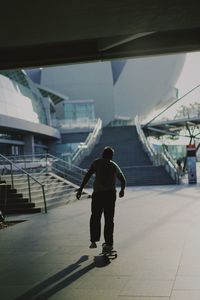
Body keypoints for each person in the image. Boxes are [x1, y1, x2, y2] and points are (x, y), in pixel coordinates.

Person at [76, 146, 126, 251]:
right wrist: (122, 190)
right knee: (109, 219)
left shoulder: (97, 163)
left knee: (95, 217)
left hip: (98, 194)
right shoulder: (114, 165)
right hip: (110, 195)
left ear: (103, 154)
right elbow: (123, 179)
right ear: (112, 156)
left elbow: (88, 175)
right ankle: (109, 244)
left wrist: (80, 189)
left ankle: (93, 241)